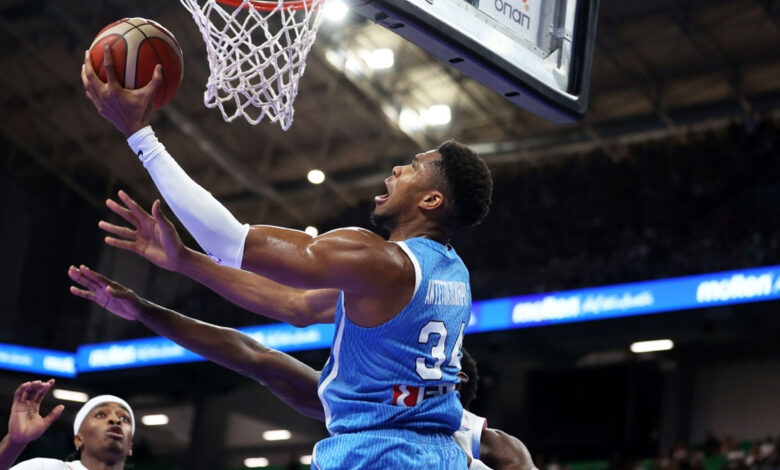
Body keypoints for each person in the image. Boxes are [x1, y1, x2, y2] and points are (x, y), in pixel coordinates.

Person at [82, 42, 493, 470]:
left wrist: (140, 135)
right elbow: (294, 304)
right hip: (438, 457)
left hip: (376, 456)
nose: (398, 169)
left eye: (414, 167)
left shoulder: (381, 261)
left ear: (431, 200)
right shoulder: (451, 275)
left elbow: (230, 241)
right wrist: (184, 260)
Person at [68, 264, 534, 470]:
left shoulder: (478, 439)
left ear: (450, 376)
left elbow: (257, 357)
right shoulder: (364, 405)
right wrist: (145, 309)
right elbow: (254, 357)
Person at [0, 380, 134, 470]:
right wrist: (14, 443)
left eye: (124, 418)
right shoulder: (44, 467)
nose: (115, 420)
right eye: (100, 414)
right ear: (79, 439)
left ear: (130, 446)